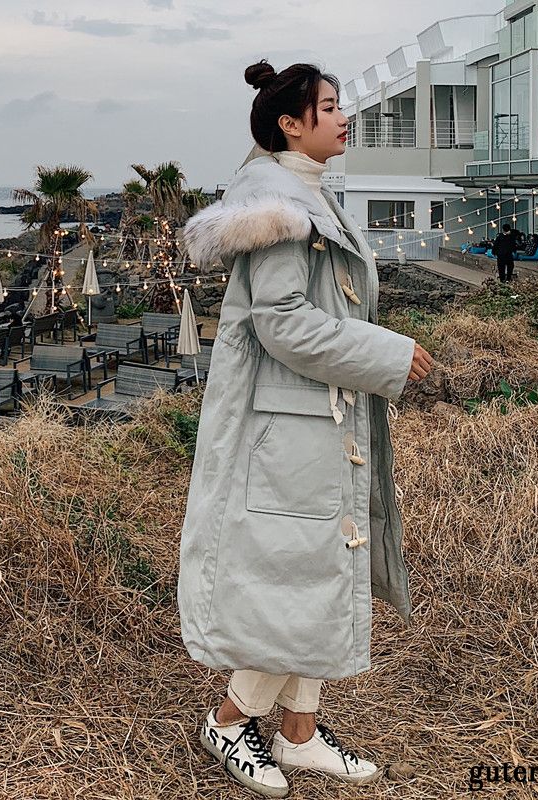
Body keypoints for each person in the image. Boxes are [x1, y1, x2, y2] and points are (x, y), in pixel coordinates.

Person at [177, 59, 433, 798]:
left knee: (323, 565)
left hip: (317, 415)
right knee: (302, 573)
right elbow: (283, 324)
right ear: (292, 124)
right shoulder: (280, 207)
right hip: (288, 424)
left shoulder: (304, 193)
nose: (342, 116)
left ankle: (298, 732)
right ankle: (231, 721)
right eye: (328, 106)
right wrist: (390, 354)